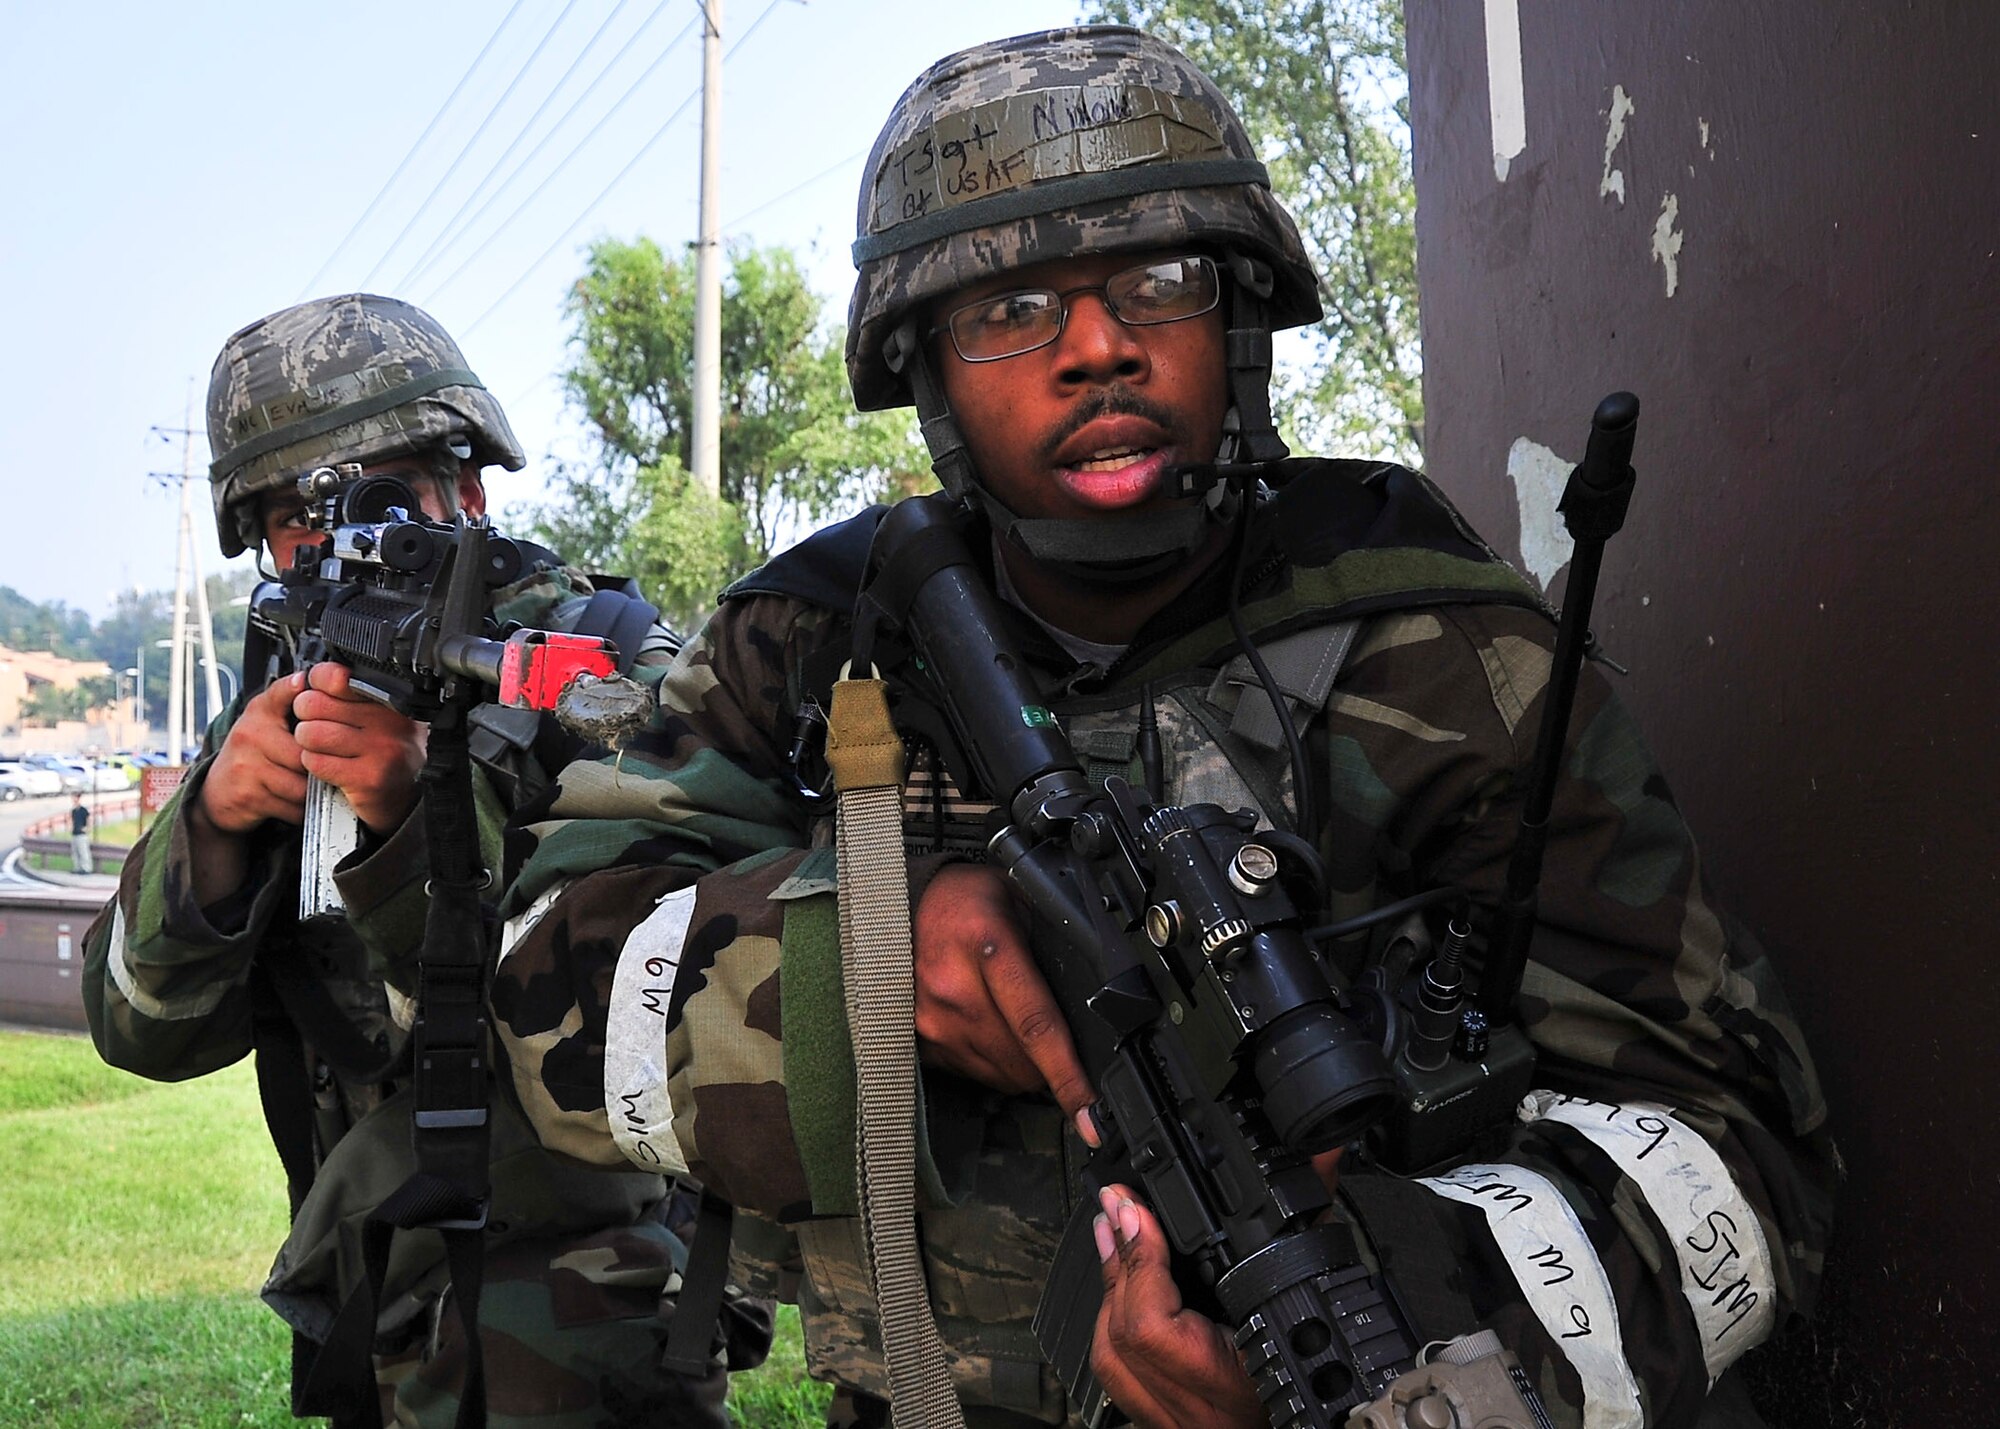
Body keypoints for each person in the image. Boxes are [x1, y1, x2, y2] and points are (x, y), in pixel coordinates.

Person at [481, 27, 1835, 1429]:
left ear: (1235, 322)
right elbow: (545, 990)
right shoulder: (816, 642)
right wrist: (860, 961)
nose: (1098, 347)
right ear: (931, 374)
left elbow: (1731, 1151)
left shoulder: (1446, 654)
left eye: (1159, 281)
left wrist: (1425, 1341)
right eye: (1009, 308)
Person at [81, 294, 769, 1427]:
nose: (341, 544)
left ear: (469, 483)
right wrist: (213, 827)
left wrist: (415, 812)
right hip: (378, 1309)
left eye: (376, 497)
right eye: (298, 519)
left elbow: (665, 1007)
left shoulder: (603, 672)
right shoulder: (278, 697)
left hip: (596, 1317)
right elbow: (140, 1033)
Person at [69, 792, 92, 874]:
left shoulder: (83, 810)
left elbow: (88, 819)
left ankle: (86, 868)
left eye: (74, 797)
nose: (73, 800)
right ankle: (77, 867)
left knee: (83, 852)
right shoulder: (74, 811)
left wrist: (87, 828)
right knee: (75, 852)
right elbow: (72, 821)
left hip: (82, 834)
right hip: (75, 833)